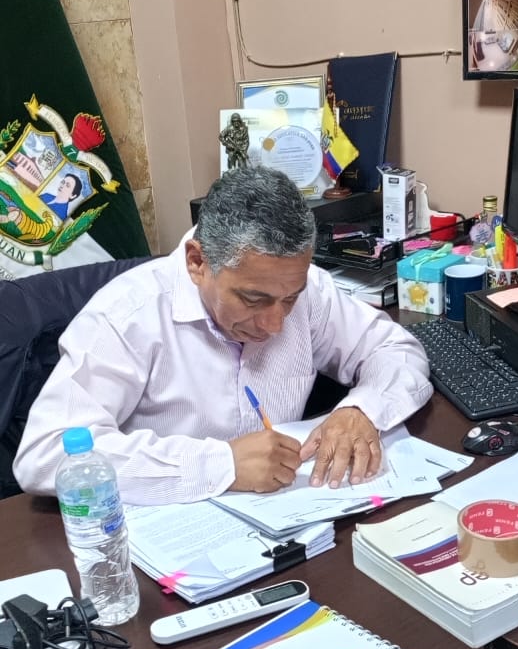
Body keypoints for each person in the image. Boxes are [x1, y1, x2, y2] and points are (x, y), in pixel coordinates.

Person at [13, 167, 433, 505]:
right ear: (197, 262)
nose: (275, 324)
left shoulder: (307, 290)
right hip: (174, 540)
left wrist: (362, 409)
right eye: (253, 299)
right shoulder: (127, 315)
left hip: (295, 517)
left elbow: (395, 349)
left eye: (289, 300)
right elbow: (45, 455)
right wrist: (221, 465)